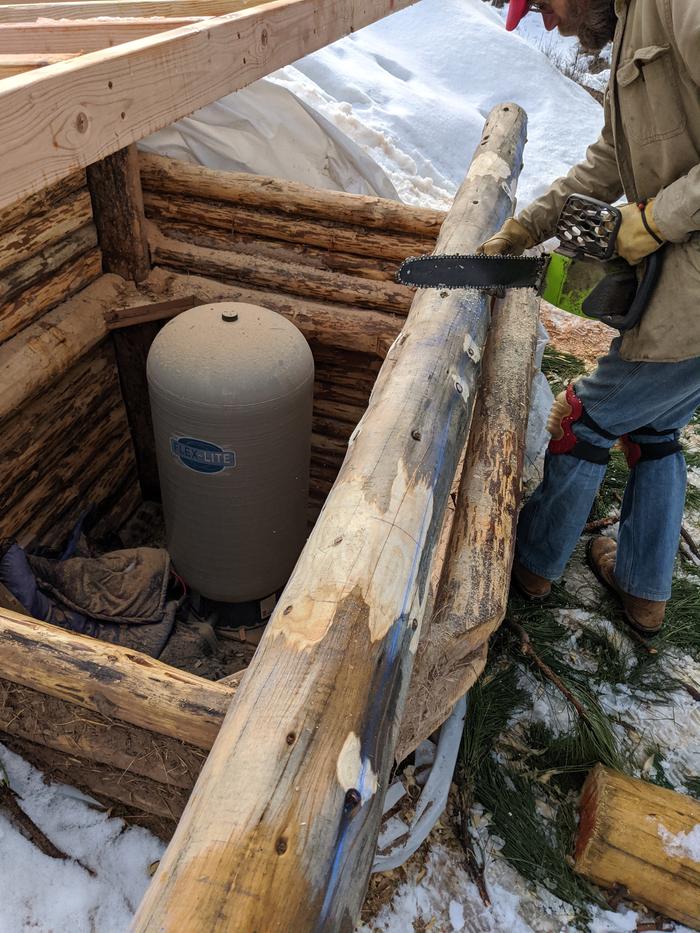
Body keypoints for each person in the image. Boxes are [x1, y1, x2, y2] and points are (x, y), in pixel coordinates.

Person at [479, 0, 700, 635]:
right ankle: (643, 592)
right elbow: (606, 163)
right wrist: (524, 230)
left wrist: (658, 219)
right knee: (654, 430)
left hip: (691, 298)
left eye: (545, 6)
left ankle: (530, 568)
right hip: (681, 284)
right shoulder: (631, 27)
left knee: (584, 418)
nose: (551, 24)